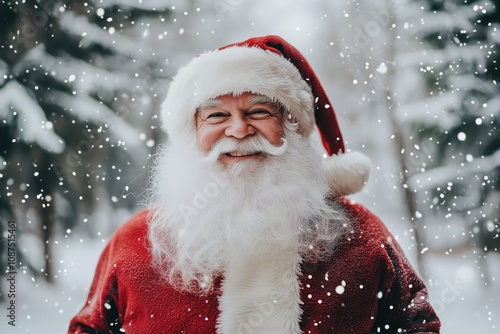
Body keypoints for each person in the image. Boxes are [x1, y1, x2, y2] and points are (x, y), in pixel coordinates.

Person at [68, 35, 440, 333]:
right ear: (191, 132)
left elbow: (418, 325)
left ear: (291, 126)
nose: (238, 130)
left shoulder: (362, 238)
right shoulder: (135, 244)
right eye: (216, 115)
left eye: (259, 111)